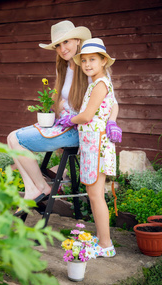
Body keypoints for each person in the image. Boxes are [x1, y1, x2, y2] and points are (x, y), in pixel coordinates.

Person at [7, 21, 120, 217]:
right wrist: (53, 112)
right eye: (57, 45)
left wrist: (112, 121)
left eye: (66, 42)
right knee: (11, 138)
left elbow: (112, 101)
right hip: (64, 124)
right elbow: (60, 99)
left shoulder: (88, 66)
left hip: (79, 130)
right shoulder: (63, 66)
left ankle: (41, 187)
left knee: (16, 140)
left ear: (77, 40)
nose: (62, 48)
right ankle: (33, 188)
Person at [56, 38, 122, 257]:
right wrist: (111, 119)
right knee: (94, 194)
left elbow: (86, 115)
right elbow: (113, 104)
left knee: (95, 195)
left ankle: (105, 245)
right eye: (83, 60)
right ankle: (103, 240)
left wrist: (69, 119)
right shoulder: (98, 82)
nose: (87, 65)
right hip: (93, 144)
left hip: (96, 145)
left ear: (104, 61)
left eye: (92, 59)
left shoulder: (100, 83)